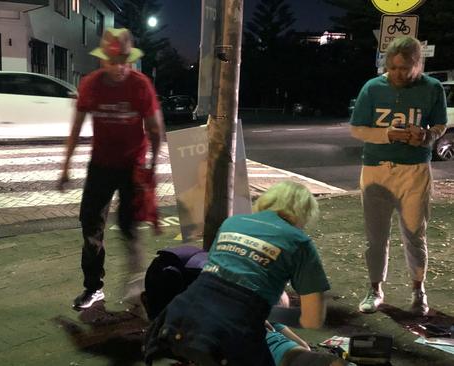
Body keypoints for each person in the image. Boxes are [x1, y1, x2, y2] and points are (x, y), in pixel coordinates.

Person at [144, 181, 331, 366]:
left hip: (178, 319)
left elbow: (217, 277)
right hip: (230, 334)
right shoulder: (299, 242)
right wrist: (267, 312)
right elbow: (312, 319)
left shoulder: (232, 222)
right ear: (304, 214)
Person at [58, 27, 164, 310]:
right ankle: (93, 288)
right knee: (90, 226)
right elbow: (77, 127)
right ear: (102, 59)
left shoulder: (141, 85)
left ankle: (136, 283)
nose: (118, 67)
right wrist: (66, 166)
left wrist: (152, 167)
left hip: (132, 167)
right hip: (101, 166)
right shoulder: (91, 84)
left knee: (129, 226)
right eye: (112, 61)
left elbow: (155, 129)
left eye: (123, 61)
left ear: (130, 60)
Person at [350, 36, 448, 316]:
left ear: (418, 65)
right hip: (376, 168)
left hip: (415, 169)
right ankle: (374, 288)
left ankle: (418, 290)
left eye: (404, 68)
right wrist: (388, 135)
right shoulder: (372, 87)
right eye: (392, 68)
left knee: (415, 233)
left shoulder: (432, 88)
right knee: (375, 235)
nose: (397, 74)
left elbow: (440, 124)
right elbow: (357, 129)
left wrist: (428, 135)